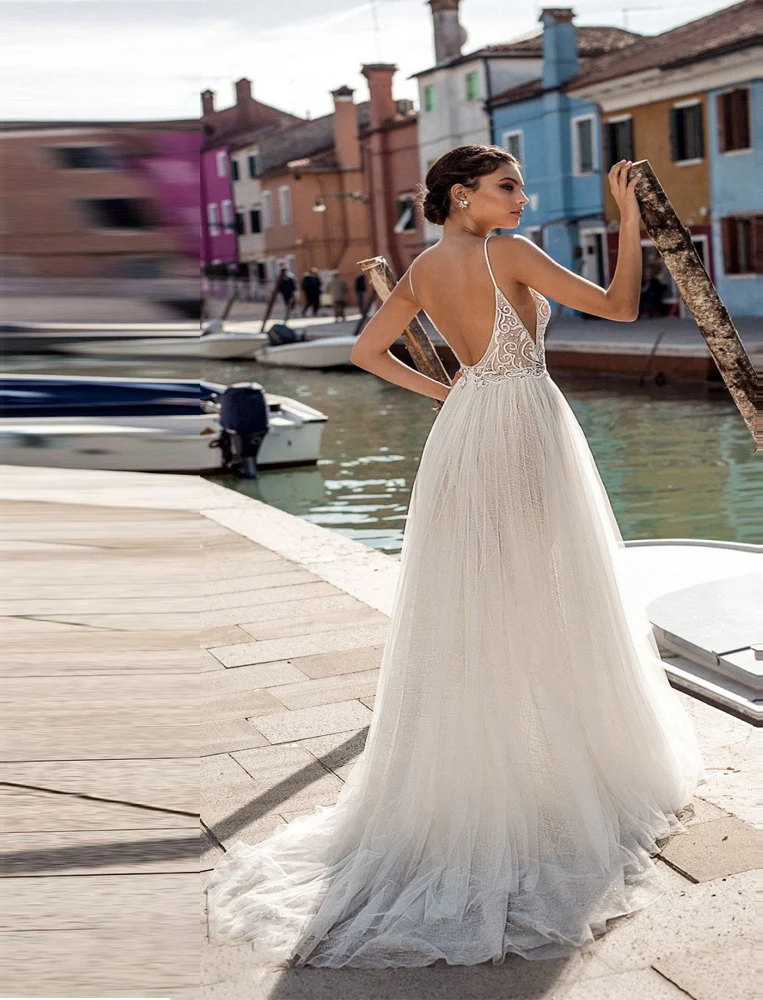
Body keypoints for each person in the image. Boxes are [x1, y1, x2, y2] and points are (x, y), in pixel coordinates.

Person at [207, 145, 703, 970]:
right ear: (464, 196)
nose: (522, 196)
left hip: (467, 432)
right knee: (551, 595)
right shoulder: (504, 251)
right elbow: (619, 306)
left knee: (477, 606)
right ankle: (552, 768)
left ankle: (492, 772)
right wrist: (628, 218)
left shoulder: (423, 269)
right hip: (526, 428)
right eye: (508, 186)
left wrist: (456, 391)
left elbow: (369, 354)